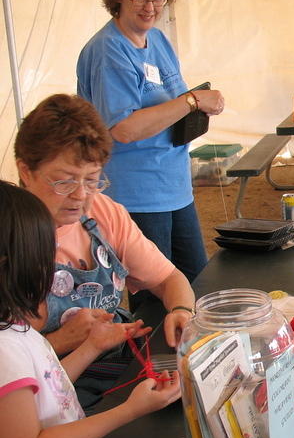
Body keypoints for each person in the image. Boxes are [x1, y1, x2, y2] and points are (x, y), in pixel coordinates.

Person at [0, 180, 181, 438]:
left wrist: (92, 346)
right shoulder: (4, 349)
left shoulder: (18, 328)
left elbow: (45, 388)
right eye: (44, 262)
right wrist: (129, 411)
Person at [15, 94, 196, 408]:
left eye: (92, 179)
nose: (81, 196)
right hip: (46, 390)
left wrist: (182, 311)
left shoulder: (103, 212)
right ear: (25, 171)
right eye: (64, 182)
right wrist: (59, 341)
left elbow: (169, 279)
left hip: (118, 360)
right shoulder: (10, 238)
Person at [76, 0, 225, 298]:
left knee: (195, 286)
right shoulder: (108, 50)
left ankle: (194, 352)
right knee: (157, 296)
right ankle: (160, 355)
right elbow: (123, 129)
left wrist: (194, 105)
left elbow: (167, 102)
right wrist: (191, 101)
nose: (149, 7)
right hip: (137, 193)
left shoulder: (156, 39)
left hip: (173, 186)